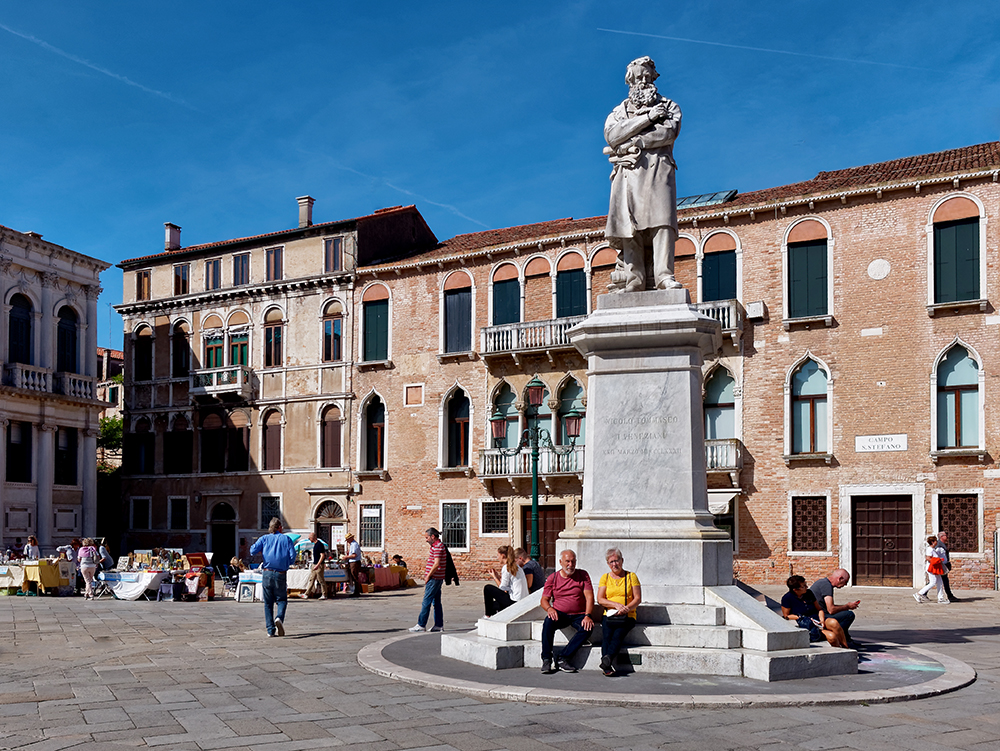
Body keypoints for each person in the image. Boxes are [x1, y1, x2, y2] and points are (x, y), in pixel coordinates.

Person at [604, 56, 683, 293]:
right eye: (639, 77)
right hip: (627, 174)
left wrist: (634, 140)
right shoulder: (618, 111)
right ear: (630, 81)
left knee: (662, 222)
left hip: (657, 169)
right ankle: (634, 278)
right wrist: (648, 118)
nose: (644, 80)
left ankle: (664, 276)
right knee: (630, 225)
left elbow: (667, 133)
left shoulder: (669, 107)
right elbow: (613, 136)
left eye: (648, 76)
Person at [539, 549, 594, 674]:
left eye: (573, 561)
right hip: (560, 614)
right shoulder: (553, 578)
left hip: (579, 614)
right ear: (560, 562)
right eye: (567, 561)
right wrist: (549, 608)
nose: (570, 564)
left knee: (587, 628)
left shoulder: (583, 575)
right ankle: (547, 659)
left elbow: (589, 597)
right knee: (548, 623)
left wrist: (588, 615)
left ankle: (563, 658)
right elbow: (543, 600)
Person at [595, 548, 641, 676]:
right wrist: (615, 605)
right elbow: (600, 599)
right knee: (606, 636)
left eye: (617, 561)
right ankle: (607, 664)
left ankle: (606, 661)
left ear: (622, 561)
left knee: (618, 634)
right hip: (609, 615)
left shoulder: (631, 577)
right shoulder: (605, 578)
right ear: (608, 564)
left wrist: (626, 608)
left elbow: (637, 598)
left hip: (627, 615)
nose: (614, 564)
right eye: (611, 562)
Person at [249, 518, 296, 637]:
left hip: (267, 572)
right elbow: (292, 557)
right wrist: (285, 562)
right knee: (282, 600)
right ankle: (279, 617)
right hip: (280, 573)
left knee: (268, 603)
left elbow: (252, 551)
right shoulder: (286, 539)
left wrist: (262, 551)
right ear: (279, 527)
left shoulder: (264, 538)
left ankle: (270, 630)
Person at [781, 575, 849, 648]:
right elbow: (786, 616)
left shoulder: (809, 593)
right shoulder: (787, 598)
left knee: (834, 622)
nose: (806, 587)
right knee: (832, 637)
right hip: (808, 624)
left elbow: (819, 609)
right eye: (803, 586)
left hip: (817, 619)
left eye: (806, 584)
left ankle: (846, 647)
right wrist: (800, 617)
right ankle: (839, 652)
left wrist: (822, 620)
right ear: (795, 589)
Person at [809, 569, 861, 647]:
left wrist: (844, 607)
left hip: (819, 613)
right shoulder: (826, 586)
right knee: (849, 615)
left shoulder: (822, 582)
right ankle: (839, 637)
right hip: (819, 616)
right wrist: (847, 606)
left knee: (844, 613)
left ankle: (846, 638)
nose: (845, 584)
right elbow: (831, 610)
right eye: (845, 581)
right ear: (840, 578)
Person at [408, 528, 446, 633]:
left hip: (434, 578)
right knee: (436, 602)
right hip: (438, 578)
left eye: (427, 537)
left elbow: (436, 563)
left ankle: (421, 624)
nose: (426, 540)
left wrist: (428, 576)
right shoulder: (439, 546)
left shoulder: (437, 547)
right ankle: (438, 625)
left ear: (432, 536)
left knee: (426, 601)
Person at [483, 545, 528, 617]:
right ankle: (493, 616)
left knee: (488, 588)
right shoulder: (517, 567)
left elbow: (502, 588)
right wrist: (498, 577)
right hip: (522, 600)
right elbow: (507, 586)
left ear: (503, 556)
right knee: (494, 604)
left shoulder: (506, 567)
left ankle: (487, 615)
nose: (498, 558)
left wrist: (495, 577)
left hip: (515, 601)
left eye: (498, 555)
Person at [914, 535, 949, 604]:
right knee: (933, 582)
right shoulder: (929, 549)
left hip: (936, 568)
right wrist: (938, 560)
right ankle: (919, 594)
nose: (937, 542)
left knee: (940, 582)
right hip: (932, 568)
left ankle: (940, 598)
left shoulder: (933, 549)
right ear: (933, 542)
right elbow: (928, 558)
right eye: (935, 541)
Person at [301, 532, 328, 600]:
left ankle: (324, 594)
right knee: (311, 579)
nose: (309, 539)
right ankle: (306, 594)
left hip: (319, 565)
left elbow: (322, 555)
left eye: (309, 538)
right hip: (314, 564)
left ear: (313, 537)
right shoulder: (315, 545)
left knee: (321, 580)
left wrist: (318, 565)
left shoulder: (320, 545)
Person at [937, 530, 959, 602]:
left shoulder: (942, 544)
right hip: (941, 566)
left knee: (936, 580)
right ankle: (950, 596)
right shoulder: (939, 545)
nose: (947, 537)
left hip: (943, 565)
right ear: (941, 537)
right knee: (939, 581)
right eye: (945, 535)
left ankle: (950, 596)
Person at [340, 532, 363, 597]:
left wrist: (346, 557)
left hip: (354, 562)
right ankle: (355, 591)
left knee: (354, 576)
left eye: (347, 540)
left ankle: (357, 591)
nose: (347, 541)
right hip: (353, 562)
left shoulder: (354, 545)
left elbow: (354, 555)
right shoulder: (353, 545)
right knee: (353, 576)